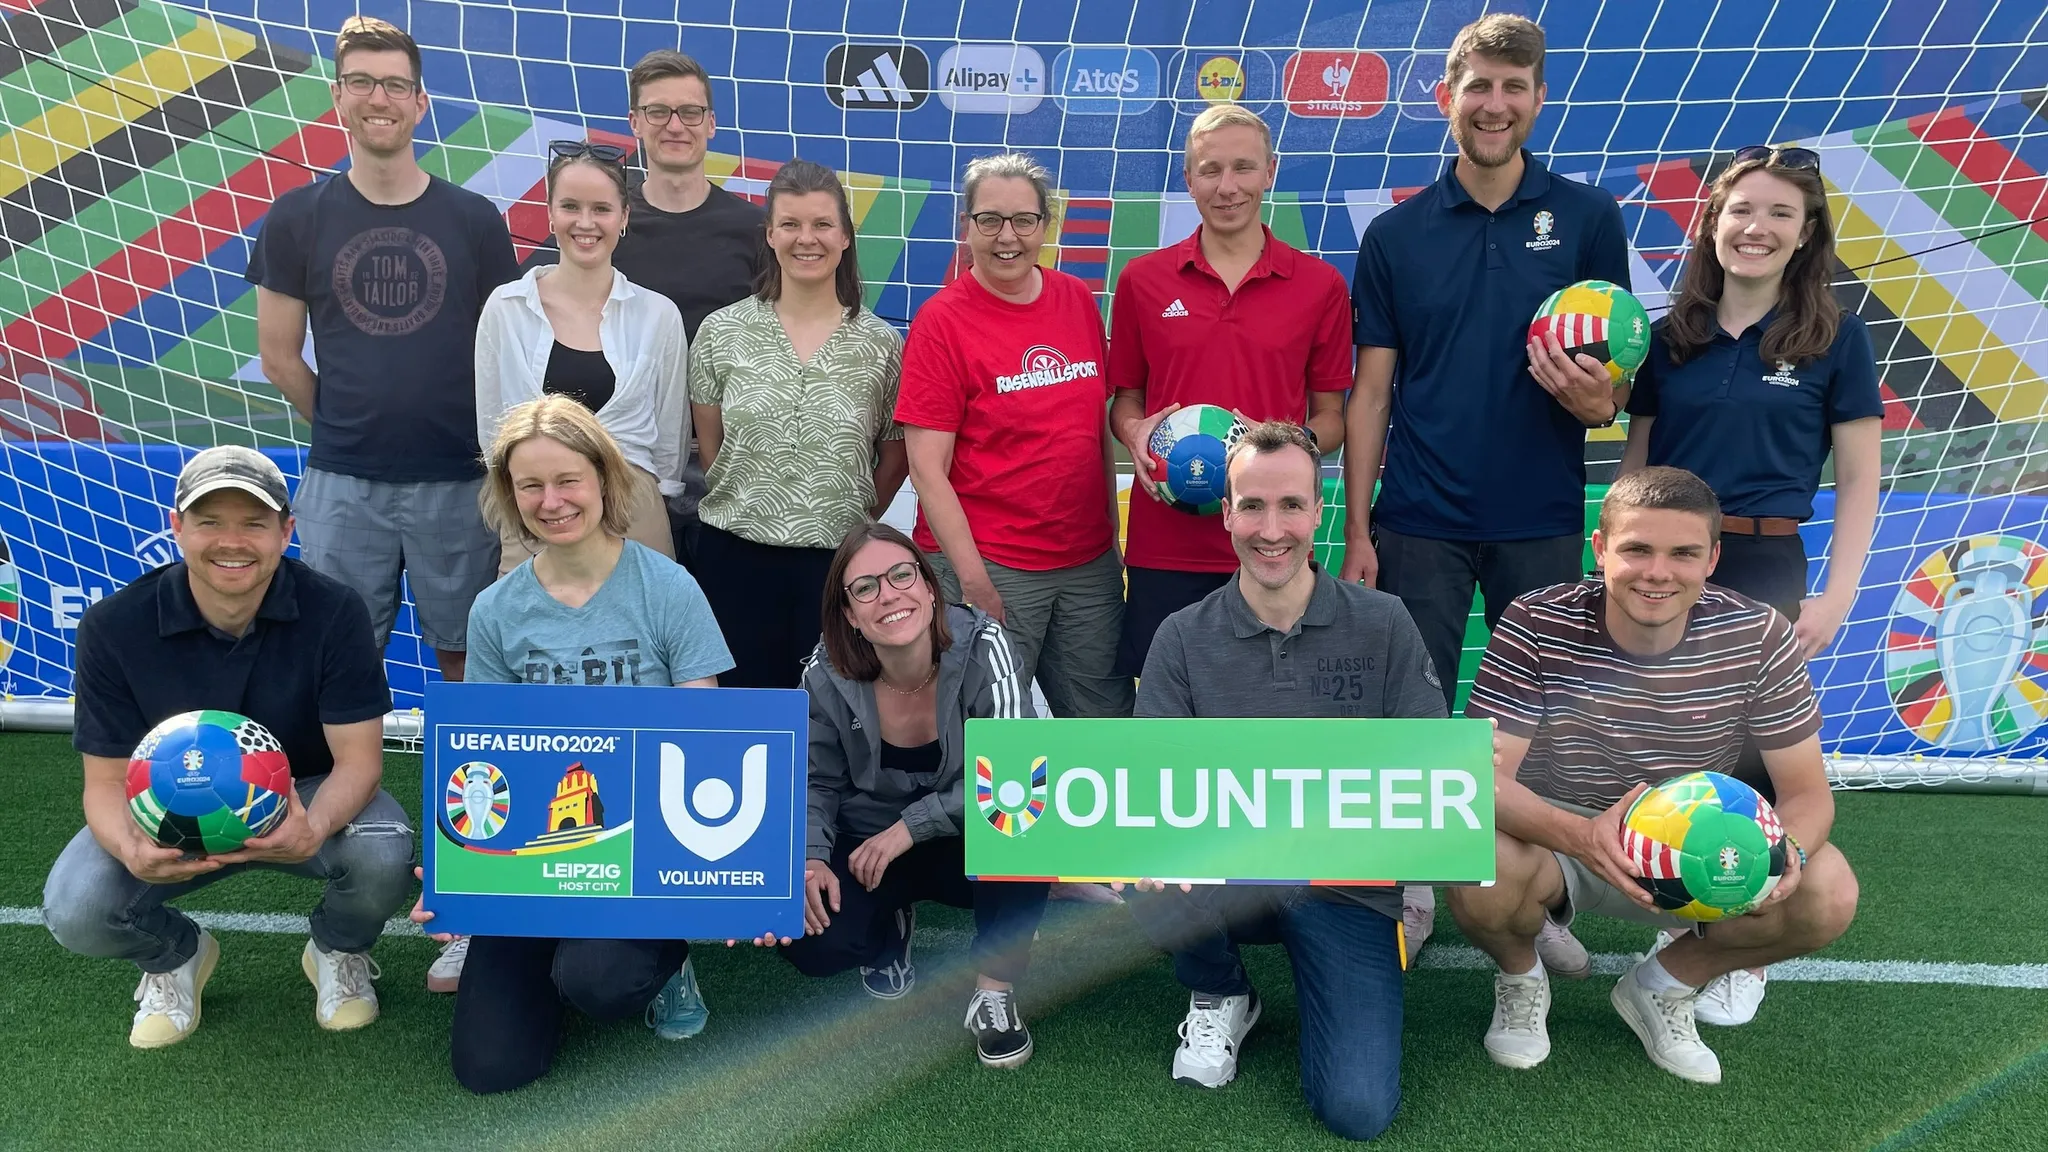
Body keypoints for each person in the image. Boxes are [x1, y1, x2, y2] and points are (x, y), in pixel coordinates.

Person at [1340, 12, 1631, 961]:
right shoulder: (1395, 233)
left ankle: (1534, 896)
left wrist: (1599, 402)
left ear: (1538, 98)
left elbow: (1614, 391)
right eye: (1479, 88)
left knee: (1543, 726)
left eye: (1514, 87)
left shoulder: (1591, 219)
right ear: (1447, 100)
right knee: (1413, 719)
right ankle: (1414, 887)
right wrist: (1358, 525)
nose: (1495, 105)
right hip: (1418, 515)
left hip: (1540, 515)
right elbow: (1373, 391)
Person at [1450, 466, 1859, 1086]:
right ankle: (1520, 975)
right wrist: (1580, 836)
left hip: (1699, 845)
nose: (1658, 572)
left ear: (1713, 557)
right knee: (1474, 857)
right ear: (1600, 548)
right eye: (1637, 548)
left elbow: (1807, 794)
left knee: (1827, 889)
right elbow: (1479, 780)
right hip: (1563, 836)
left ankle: (1666, 982)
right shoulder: (1539, 622)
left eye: (1683, 553)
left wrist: (1788, 854)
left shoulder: (1759, 635)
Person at [1602, 146, 1882, 1026]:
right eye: (1741, 211)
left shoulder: (1836, 338)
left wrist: (1836, 595)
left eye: (1779, 216)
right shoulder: (1670, 333)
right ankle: (1667, 893)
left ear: (1805, 237)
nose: (1756, 229)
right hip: (1666, 563)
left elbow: (1861, 480)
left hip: (1764, 566)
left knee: (1754, 759)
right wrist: (1614, 555)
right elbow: (1638, 464)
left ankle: (1732, 944)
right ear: (1713, 223)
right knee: (1667, 739)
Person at [1123, 423, 1446, 1142]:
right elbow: (1150, 782)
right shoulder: (1180, 634)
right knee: (1143, 880)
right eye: (1253, 506)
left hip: (1345, 882)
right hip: (1228, 871)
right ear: (1227, 512)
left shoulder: (1384, 622)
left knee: (1357, 1112)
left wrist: (1451, 774)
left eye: (1291, 506)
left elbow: (1426, 761)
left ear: (1320, 509)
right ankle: (1222, 991)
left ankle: (1329, 966)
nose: (1273, 530)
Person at [411, 396, 736, 1094]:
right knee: (491, 1069)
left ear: (602, 480)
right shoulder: (496, 609)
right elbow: (482, 755)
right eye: (531, 485)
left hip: (640, 842)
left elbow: (702, 737)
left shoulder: (668, 590)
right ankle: (545, 965)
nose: (551, 501)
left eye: (567, 480)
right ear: (509, 495)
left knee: (600, 981)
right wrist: (454, 864)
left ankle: (663, 961)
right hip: (537, 849)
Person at [43, 446, 412, 1048]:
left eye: (254, 523)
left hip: (301, 795)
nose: (231, 541)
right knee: (77, 907)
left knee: (384, 851)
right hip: (171, 811)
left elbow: (359, 761)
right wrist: (131, 848)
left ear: (286, 531)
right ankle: (174, 956)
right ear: (177, 527)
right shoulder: (114, 625)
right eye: (210, 521)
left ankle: (337, 951)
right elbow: (106, 782)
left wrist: (313, 828)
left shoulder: (335, 610)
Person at [248, 15, 518, 683]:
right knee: (336, 658)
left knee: (467, 653)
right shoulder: (296, 217)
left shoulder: (474, 220)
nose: (379, 99)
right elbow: (280, 357)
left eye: (396, 86)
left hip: (461, 481)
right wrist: (350, 424)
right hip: (343, 483)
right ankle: (336, 788)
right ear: (337, 99)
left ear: (421, 103)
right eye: (361, 83)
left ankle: (475, 789)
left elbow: (506, 353)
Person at [776, 521, 1049, 1068]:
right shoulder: (824, 673)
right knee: (812, 939)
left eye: (902, 575)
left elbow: (1020, 774)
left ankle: (994, 991)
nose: (890, 595)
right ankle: (886, 930)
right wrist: (808, 857)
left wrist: (910, 828)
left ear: (929, 587)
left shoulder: (986, 647)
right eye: (866, 587)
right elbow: (815, 779)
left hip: (966, 837)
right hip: (866, 843)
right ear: (850, 614)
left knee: (1025, 832)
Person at [1108, 104, 1351, 677]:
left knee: (1277, 711)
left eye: (1243, 168)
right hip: (1166, 544)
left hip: (1274, 540)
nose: (1227, 187)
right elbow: (1125, 402)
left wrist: (1274, 446)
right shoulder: (1143, 281)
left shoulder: (1320, 285)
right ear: (1188, 178)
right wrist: (1134, 431)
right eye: (1210, 170)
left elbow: (1333, 418)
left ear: (1270, 171)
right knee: (1169, 720)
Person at [895, 151, 1132, 722]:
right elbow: (926, 468)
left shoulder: (1076, 299)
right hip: (992, 562)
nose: (1008, 237)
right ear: (966, 226)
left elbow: (1090, 432)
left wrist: (1111, 537)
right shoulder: (942, 320)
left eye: (1024, 220)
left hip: (1086, 566)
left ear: (1046, 226)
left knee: (1105, 729)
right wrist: (973, 582)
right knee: (988, 734)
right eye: (990, 220)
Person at [688, 159, 907, 688]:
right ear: (769, 234)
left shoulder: (881, 344)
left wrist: (843, 512)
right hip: (734, 559)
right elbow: (711, 448)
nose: (806, 239)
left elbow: (894, 453)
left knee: (831, 719)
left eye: (821, 224)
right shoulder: (721, 333)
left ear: (846, 237)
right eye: (790, 224)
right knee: (742, 719)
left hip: (836, 567)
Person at [475, 138, 687, 573]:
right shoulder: (506, 308)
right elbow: (492, 430)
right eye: (570, 206)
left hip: (634, 513)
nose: (585, 222)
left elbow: (670, 440)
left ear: (624, 217)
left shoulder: (658, 315)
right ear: (551, 214)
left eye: (602, 209)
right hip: (538, 517)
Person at [611, 49, 769, 569]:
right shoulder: (602, 226)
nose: (674, 125)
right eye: (658, 111)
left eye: (690, 112)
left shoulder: (756, 230)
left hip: (727, 459)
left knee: (725, 630)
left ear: (712, 124)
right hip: (627, 456)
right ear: (635, 122)